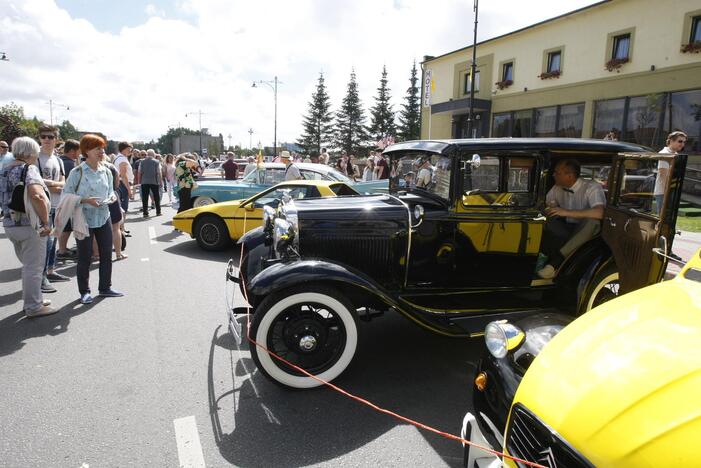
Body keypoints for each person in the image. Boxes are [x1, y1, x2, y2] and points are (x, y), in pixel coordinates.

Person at [63, 134, 123, 304]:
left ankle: (105, 288)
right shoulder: (77, 172)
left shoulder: (106, 171)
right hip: (84, 220)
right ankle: (84, 292)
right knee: (85, 257)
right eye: (98, 148)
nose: (102, 151)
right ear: (86, 151)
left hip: (104, 217)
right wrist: (85, 200)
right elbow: (66, 194)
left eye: (102, 148)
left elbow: (111, 190)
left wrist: (111, 197)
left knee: (106, 254)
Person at [0, 137, 56, 317]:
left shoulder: (4, 170)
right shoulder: (29, 169)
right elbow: (37, 196)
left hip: (10, 224)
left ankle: (34, 299)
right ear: (31, 152)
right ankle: (33, 306)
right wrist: (45, 222)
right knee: (34, 267)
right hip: (30, 225)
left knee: (28, 266)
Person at [536, 159, 606, 279]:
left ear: (570, 175)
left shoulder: (591, 187)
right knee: (541, 220)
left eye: (557, 173)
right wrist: (550, 210)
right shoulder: (557, 187)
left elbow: (600, 213)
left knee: (593, 222)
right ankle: (538, 258)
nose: (553, 175)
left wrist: (567, 212)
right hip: (565, 227)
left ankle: (555, 264)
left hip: (586, 232)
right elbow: (547, 205)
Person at [36, 124, 69, 290]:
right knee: (45, 243)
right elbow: (36, 184)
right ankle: (41, 278)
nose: (46, 140)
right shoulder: (35, 157)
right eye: (43, 136)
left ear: (56, 139)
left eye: (50, 137)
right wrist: (53, 185)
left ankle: (50, 271)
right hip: (43, 205)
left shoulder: (57, 159)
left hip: (58, 204)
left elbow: (63, 183)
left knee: (54, 240)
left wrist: (50, 183)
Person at [56, 139, 80, 259]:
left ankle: (62, 249)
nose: (79, 154)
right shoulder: (70, 164)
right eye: (78, 151)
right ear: (72, 151)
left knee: (65, 225)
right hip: (67, 199)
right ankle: (62, 250)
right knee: (67, 226)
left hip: (60, 198)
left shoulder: (60, 161)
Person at [654, 131, 687, 214]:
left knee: (669, 220)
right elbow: (663, 174)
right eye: (680, 141)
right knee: (663, 219)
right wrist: (667, 194)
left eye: (684, 142)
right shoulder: (664, 153)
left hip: (672, 190)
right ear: (671, 141)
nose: (682, 144)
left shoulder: (675, 154)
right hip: (664, 192)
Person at [138, 149, 162, 217]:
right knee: (156, 197)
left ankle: (145, 213)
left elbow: (140, 172)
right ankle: (158, 212)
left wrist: (139, 181)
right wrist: (160, 181)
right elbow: (158, 172)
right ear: (153, 154)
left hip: (144, 182)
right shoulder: (156, 162)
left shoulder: (142, 162)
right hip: (154, 181)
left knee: (145, 198)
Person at [113, 142, 134, 214]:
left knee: (121, 208)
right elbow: (124, 176)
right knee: (123, 208)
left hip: (121, 184)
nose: (130, 151)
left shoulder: (119, 158)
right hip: (123, 185)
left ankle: (121, 225)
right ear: (123, 149)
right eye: (129, 149)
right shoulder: (122, 159)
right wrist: (129, 190)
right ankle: (121, 225)